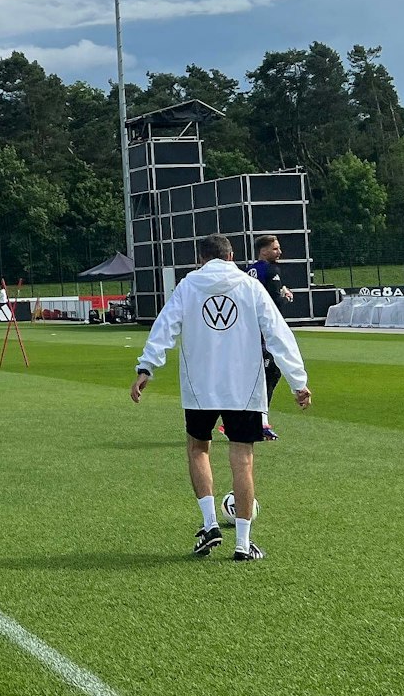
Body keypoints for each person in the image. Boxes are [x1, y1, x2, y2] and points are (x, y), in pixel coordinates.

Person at [133, 234, 311, 561]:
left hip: (200, 387)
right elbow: (278, 333)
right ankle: (243, 543)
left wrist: (146, 368)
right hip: (243, 387)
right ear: (231, 256)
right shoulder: (250, 286)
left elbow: (165, 326)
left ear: (201, 258)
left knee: (198, 448)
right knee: (242, 459)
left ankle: (210, 523)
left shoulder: (189, 286)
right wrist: (298, 381)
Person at [244, 235, 297, 440]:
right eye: (275, 249)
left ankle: (248, 419)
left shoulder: (250, 270)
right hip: (265, 330)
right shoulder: (272, 270)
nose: (279, 252)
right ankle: (259, 422)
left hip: (249, 330)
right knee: (270, 372)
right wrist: (284, 296)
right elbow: (274, 302)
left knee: (258, 373)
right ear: (264, 251)